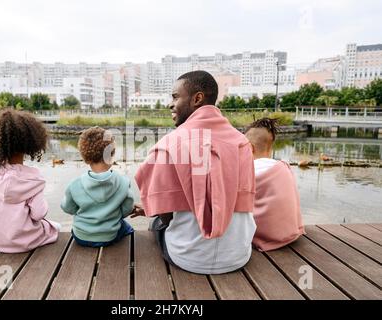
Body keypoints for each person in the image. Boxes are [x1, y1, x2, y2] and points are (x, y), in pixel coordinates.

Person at [132, 70, 256, 274]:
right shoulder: (242, 142)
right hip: (239, 256)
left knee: (156, 223)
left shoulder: (170, 144)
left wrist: (156, 209)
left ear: (197, 98)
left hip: (188, 259)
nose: (170, 104)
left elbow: (166, 217)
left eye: (175, 97)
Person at [0, 109, 60, 253]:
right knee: (54, 227)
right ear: (32, 143)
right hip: (26, 242)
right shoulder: (33, 179)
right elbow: (38, 214)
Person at [60, 126, 135, 247]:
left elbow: (67, 208)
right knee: (127, 228)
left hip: (81, 236)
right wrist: (114, 214)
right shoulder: (123, 182)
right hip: (110, 236)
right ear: (111, 155)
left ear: (85, 158)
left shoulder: (75, 185)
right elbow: (127, 208)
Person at [244, 117, 305, 251]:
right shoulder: (284, 167)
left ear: (249, 147)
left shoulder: (248, 171)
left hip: (266, 238)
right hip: (291, 233)